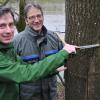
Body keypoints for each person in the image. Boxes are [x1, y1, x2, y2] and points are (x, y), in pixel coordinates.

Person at [0, 6, 77, 100]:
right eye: (2, 26)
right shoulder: (16, 42)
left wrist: (53, 70)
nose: (8, 30)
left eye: (11, 24)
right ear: (26, 20)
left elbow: (27, 66)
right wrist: (63, 54)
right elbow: (26, 72)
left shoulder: (8, 48)